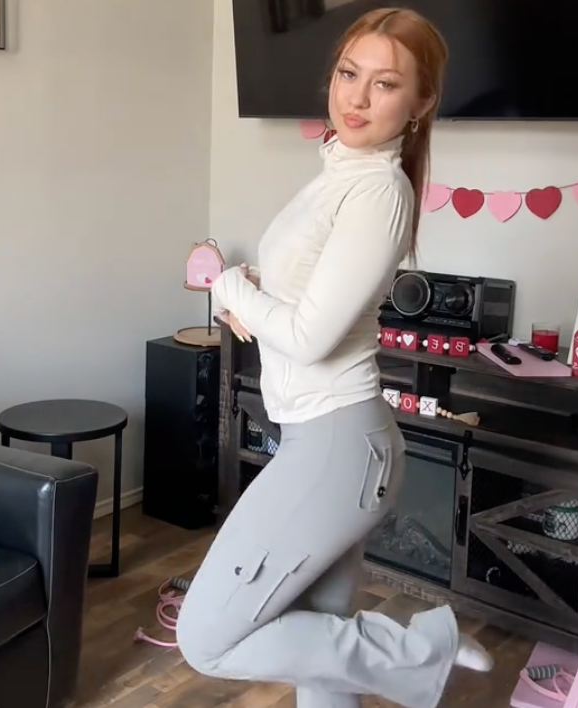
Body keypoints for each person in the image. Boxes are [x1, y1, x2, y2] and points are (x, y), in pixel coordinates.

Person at [176, 8, 492, 708]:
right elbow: (304, 302)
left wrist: (227, 282)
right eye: (350, 73)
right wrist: (253, 290)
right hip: (327, 440)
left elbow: (311, 336)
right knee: (321, 659)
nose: (357, 97)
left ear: (421, 103)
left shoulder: (379, 190)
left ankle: (419, 651)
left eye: (385, 84)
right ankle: (407, 655)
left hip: (336, 446)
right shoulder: (338, 174)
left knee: (206, 638)